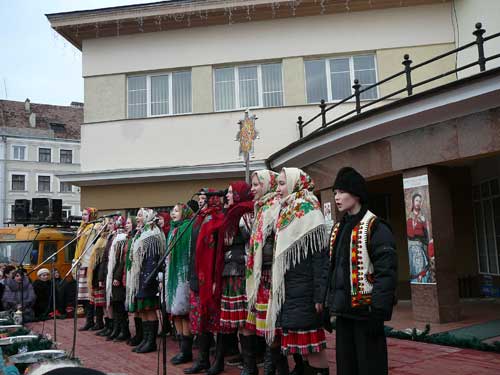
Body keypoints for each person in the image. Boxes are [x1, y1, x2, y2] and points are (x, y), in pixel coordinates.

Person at [326, 167, 397, 375]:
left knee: (370, 368)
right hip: (344, 314)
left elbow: (387, 272)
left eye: (341, 192)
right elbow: (331, 268)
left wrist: (378, 312)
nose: (337, 197)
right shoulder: (338, 228)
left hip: (367, 315)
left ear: (355, 193)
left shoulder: (376, 227)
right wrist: (327, 303)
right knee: (346, 368)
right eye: (335, 193)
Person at [267, 168, 330, 375]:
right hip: (290, 290)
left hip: (306, 292)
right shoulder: (285, 211)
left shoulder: (309, 211)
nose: (278, 188)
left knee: (313, 347)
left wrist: (320, 295)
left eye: (283, 183)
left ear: (296, 183)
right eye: (278, 183)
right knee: (302, 348)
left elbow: (320, 258)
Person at [246, 170, 288, 375]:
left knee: (274, 329)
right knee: (267, 330)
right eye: (252, 184)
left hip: (274, 275)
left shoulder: (276, 207)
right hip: (261, 276)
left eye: (256, 184)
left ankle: (274, 370)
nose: (252, 188)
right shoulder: (261, 208)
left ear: (267, 184)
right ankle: (280, 369)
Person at [212, 182, 254, 375]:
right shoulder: (230, 214)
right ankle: (220, 361)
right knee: (229, 320)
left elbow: (252, 243)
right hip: (228, 272)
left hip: (241, 271)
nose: (227, 195)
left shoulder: (245, 213)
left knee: (244, 320)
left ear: (239, 194)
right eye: (227, 192)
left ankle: (250, 365)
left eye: (230, 192)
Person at [184, 190, 224, 375]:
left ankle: (218, 361)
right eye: (199, 199)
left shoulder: (218, 218)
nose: (201, 202)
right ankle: (202, 359)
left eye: (204, 199)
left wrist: (214, 279)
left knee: (215, 321)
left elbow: (218, 251)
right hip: (196, 276)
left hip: (212, 278)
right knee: (200, 322)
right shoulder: (198, 220)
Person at [127, 208, 165, 353]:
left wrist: (148, 278)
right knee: (142, 309)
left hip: (148, 277)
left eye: (141, 215)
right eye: (137, 215)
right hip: (139, 276)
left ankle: (151, 342)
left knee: (149, 309)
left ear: (148, 217)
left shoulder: (152, 234)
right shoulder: (141, 233)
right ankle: (145, 339)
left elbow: (153, 259)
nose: (138, 218)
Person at [166, 203, 195, 365]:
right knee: (175, 313)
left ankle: (186, 351)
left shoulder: (187, 228)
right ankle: (181, 348)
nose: (173, 213)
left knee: (184, 313)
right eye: (172, 210)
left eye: (177, 211)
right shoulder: (173, 229)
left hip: (183, 275)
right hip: (172, 275)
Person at [103, 216, 130, 341]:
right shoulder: (114, 237)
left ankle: (124, 331)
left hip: (117, 276)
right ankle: (117, 328)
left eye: (120, 223)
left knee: (119, 304)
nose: (116, 225)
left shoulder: (123, 238)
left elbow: (122, 260)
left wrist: (117, 276)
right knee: (114, 303)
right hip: (111, 274)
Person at [74, 207, 99, 331]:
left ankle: (95, 321)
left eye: (85, 214)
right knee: (83, 296)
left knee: (90, 295)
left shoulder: (95, 227)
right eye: (82, 214)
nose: (83, 217)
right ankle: (89, 321)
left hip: (89, 263)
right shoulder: (82, 227)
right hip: (81, 262)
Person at [87, 218, 113, 331]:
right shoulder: (99, 238)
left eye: (105, 224)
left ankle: (109, 325)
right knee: (98, 302)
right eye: (101, 224)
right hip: (96, 271)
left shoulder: (108, 238)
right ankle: (101, 323)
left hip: (103, 272)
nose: (102, 226)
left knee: (105, 302)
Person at [406, 193, 431, 283]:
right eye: (416, 200)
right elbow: (410, 234)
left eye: (420, 201)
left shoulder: (423, 218)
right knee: (414, 271)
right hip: (412, 249)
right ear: (413, 202)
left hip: (421, 247)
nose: (418, 203)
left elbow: (426, 236)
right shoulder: (409, 218)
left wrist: (423, 223)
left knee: (423, 272)